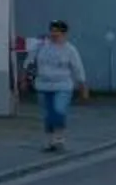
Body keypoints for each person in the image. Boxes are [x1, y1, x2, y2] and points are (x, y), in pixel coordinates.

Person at [25, 18, 90, 150]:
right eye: (52, 31)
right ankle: (51, 141)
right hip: (43, 85)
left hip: (62, 86)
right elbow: (30, 62)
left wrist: (83, 86)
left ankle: (59, 138)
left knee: (58, 110)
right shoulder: (41, 47)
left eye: (58, 32)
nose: (54, 34)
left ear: (64, 34)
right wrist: (24, 78)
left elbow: (77, 68)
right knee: (49, 114)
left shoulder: (70, 50)